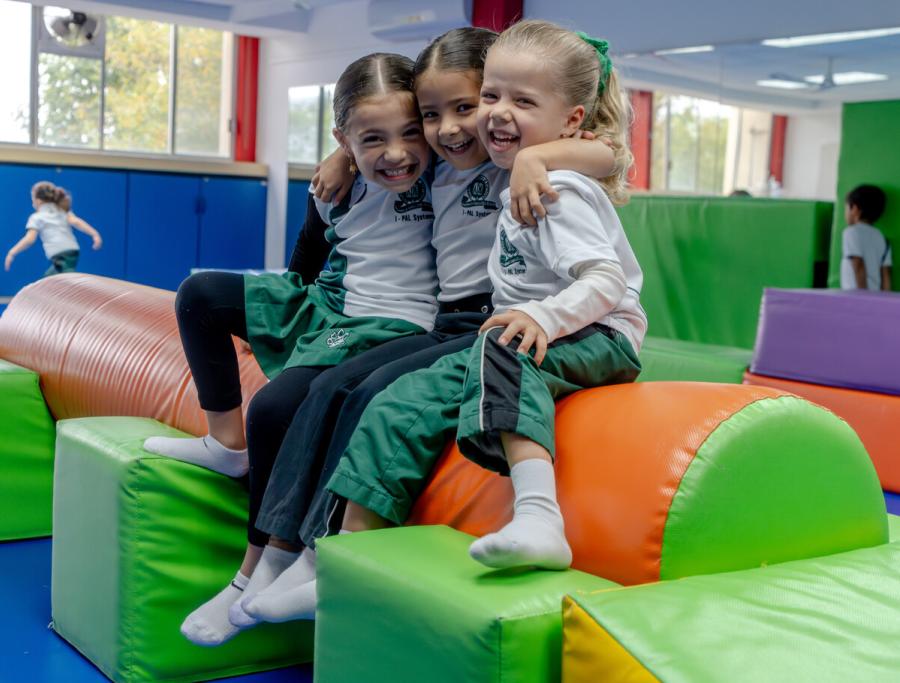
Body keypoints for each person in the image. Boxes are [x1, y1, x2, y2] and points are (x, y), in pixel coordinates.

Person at [209, 25, 617, 630]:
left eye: (468, 106)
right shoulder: (438, 164)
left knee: (371, 396)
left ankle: (321, 553)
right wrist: (346, 153)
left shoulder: (509, 162)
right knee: (323, 392)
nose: (450, 128)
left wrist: (537, 156)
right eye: (433, 114)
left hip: (489, 318)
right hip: (446, 319)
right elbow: (389, 142)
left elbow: (607, 154)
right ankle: (275, 555)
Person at [144, 52, 441, 646]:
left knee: (276, 409)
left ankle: (253, 568)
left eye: (412, 132)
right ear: (342, 137)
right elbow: (305, 260)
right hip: (332, 302)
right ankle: (225, 444)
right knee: (200, 294)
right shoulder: (337, 184)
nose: (398, 153)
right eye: (372, 139)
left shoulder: (447, 172)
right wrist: (338, 165)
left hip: (393, 324)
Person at [5, 181, 102, 276]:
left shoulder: (36, 217)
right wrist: (94, 234)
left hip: (62, 255)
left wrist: (12, 252)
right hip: (71, 251)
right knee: (50, 279)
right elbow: (76, 222)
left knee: (55, 280)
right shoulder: (62, 210)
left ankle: (75, 282)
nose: (32, 203)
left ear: (38, 201)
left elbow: (30, 239)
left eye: (32, 199)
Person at [840, 184, 892, 291]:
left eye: (846, 208)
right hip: (875, 296)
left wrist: (863, 296)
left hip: (855, 296)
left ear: (854, 209)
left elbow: (858, 265)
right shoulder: (882, 238)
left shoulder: (850, 232)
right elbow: (886, 274)